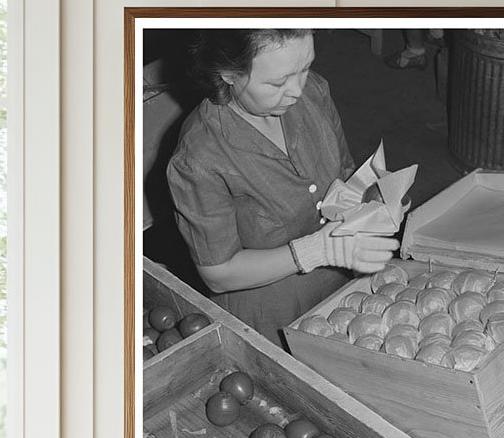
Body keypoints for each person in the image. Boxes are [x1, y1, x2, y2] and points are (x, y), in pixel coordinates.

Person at [167, 29, 398, 344]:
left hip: (343, 288)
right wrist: (318, 249)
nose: (296, 91)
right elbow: (218, 274)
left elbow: (343, 172)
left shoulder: (313, 91)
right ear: (229, 74)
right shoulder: (199, 158)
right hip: (271, 315)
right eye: (277, 83)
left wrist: (374, 197)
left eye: (304, 68)